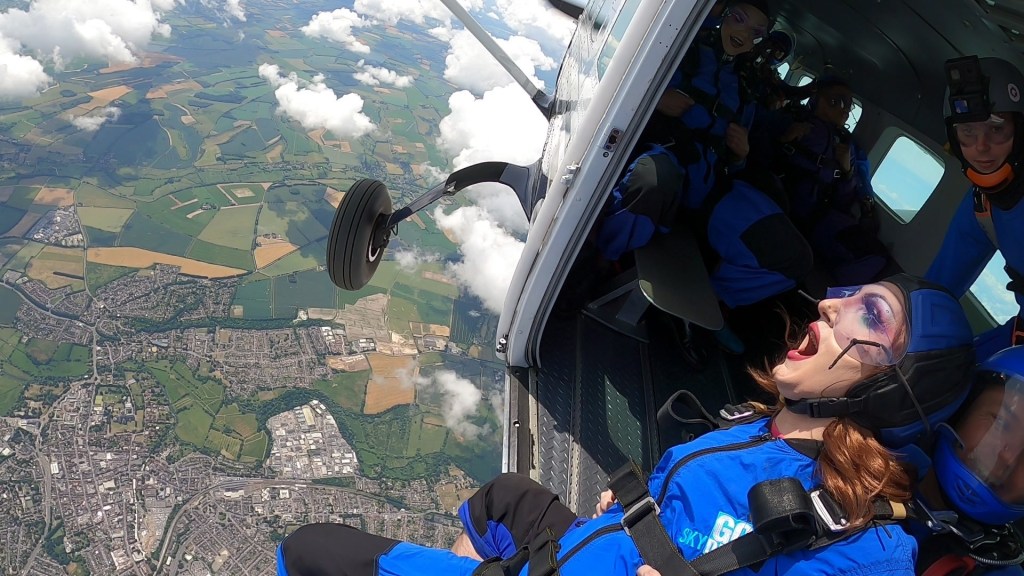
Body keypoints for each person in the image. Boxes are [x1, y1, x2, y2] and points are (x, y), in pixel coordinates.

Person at [276, 274, 976, 576]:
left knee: (308, 552)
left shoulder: (865, 542)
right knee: (507, 497)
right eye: (850, 294)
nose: (829, 304)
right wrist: (640, 507)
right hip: (584, 547)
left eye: (870, 315)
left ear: (895, 387)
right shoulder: (760, 425)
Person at [926, 55, 1024, 362]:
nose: (981, 147)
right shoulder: (983, 206)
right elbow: (936, 290)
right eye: (967, 132)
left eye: (996, 129)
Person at [913, 345, 1024, 575]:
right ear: (961, 409)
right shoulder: (881, 461)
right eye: (1001, 423)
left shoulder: (1002, 572)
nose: (1008, 455)